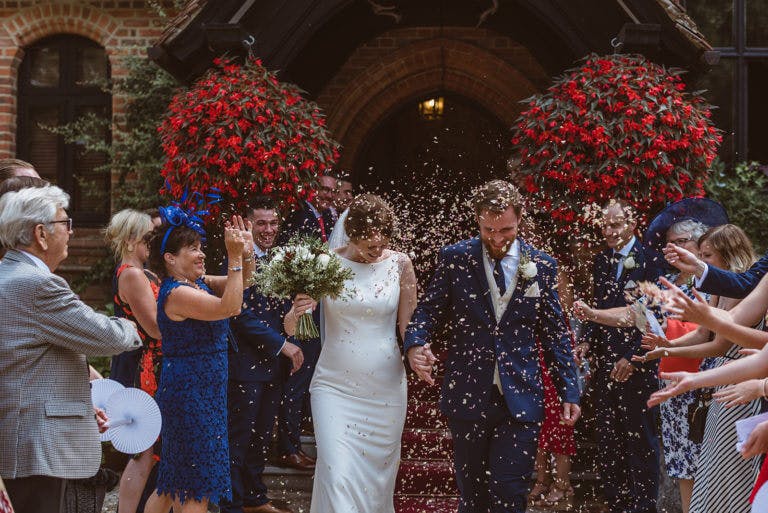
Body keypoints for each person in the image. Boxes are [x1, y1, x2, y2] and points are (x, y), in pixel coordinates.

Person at [404, 180, 580, 513]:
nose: (497, 238)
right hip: (469, 393)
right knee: (473, 496)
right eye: (489, 230)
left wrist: (569, 390)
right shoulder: (455, 258)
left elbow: (556, 333)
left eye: (506, 230)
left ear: (520, 220)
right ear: (477, 220)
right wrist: (414, 345)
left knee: (510, 492)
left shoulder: (541, 265)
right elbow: (428, 311)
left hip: (522, 395)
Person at [0, 185, 142, 513]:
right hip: (36, 449)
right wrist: (134, 325)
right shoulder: (38, 284)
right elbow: (106, 336)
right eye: (66, 223)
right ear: (41, 234)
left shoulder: (10, 275)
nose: (71, 232)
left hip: (21, 438)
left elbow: (31, 361)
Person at [284, 194, 417, 513]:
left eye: (383, 238)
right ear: (352, 234)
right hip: (334, 387)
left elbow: (409, 329)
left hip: (385, 390)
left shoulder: (400, 264)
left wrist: (418, 353)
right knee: (336, 474)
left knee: (377, 485)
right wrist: (298, 310)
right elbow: (292, 327)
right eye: (370, 241)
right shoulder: (325, 263)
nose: (378, 247)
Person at [574, 219, 708, 513]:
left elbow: (708, 335)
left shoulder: (713, 283)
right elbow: (634, 315)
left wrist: (662, 349)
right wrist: (592, 314)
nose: (672, 248)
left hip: (703, 385)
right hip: (672, 384)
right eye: (669, 243)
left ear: (701, 246)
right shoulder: (669, 284)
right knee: (683, 465)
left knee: (705, 465)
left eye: (681, 242)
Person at [639, 224, 761, 513]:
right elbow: (704, 332)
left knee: (730, 467)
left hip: (740, 382)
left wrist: (682, 362)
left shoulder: (742, 285)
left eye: (708, 255)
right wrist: (668, 345)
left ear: (729, 254)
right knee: (712, 465)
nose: (703, 261)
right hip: (722, 381)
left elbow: (719, 343)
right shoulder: (719, 288)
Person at [142, 209, 255, 513]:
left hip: (203, 391)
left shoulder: (197, 282)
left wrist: (246, 251)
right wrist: (232, 257)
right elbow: (230, 307)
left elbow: (243, 283)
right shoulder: (177, 293)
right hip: (190, 394)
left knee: (174, 482)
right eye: (192, 249)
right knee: (196, 485)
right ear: (170, 258)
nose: (201, 254)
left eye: (200, 246)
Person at [573, 199, 663, 513]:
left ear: (633, 224)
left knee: (640, 439)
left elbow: (649, 315)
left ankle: (643, 506)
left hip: (639, 365)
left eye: (615, 225)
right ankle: (617, 503)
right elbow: (600, 307)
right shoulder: (602, 261)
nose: (609, 231)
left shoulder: (651, 259)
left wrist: (632, 356)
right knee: (609, 440)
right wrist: (585, 341)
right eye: (605, 225)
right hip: (605, 366)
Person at [221, 197, 303, 513]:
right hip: (244, 366)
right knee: (238, 439)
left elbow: (283, 313)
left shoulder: (281, 261)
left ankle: (255, 498)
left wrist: (298, 313)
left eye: (273, 223)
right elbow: (238, 314)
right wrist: (282, 344)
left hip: (273, 368)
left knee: (260, 437)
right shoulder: (235, 260)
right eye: (261, 223)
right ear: (248, 225)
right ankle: (232, 504)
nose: (268, 230)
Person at [103, 209, 165, 513]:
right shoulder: (131, 273)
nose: (150, 243)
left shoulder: (143, 271)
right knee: (144, 449)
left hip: (153, 363)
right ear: (130, 240)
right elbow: (154, 327)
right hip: (147, 365)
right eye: (146, 238)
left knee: (149, 448)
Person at [274, 178, 337, 471]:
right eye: (324, 189)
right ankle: (288, 447)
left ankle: (302, 431)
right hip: (301, 310)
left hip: (318, 306)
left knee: (310, 374)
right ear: (311, 191)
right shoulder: (300, 218)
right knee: (298, 376)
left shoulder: (325, 217)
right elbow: (292, 261)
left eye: (332, 190)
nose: (329, 195)